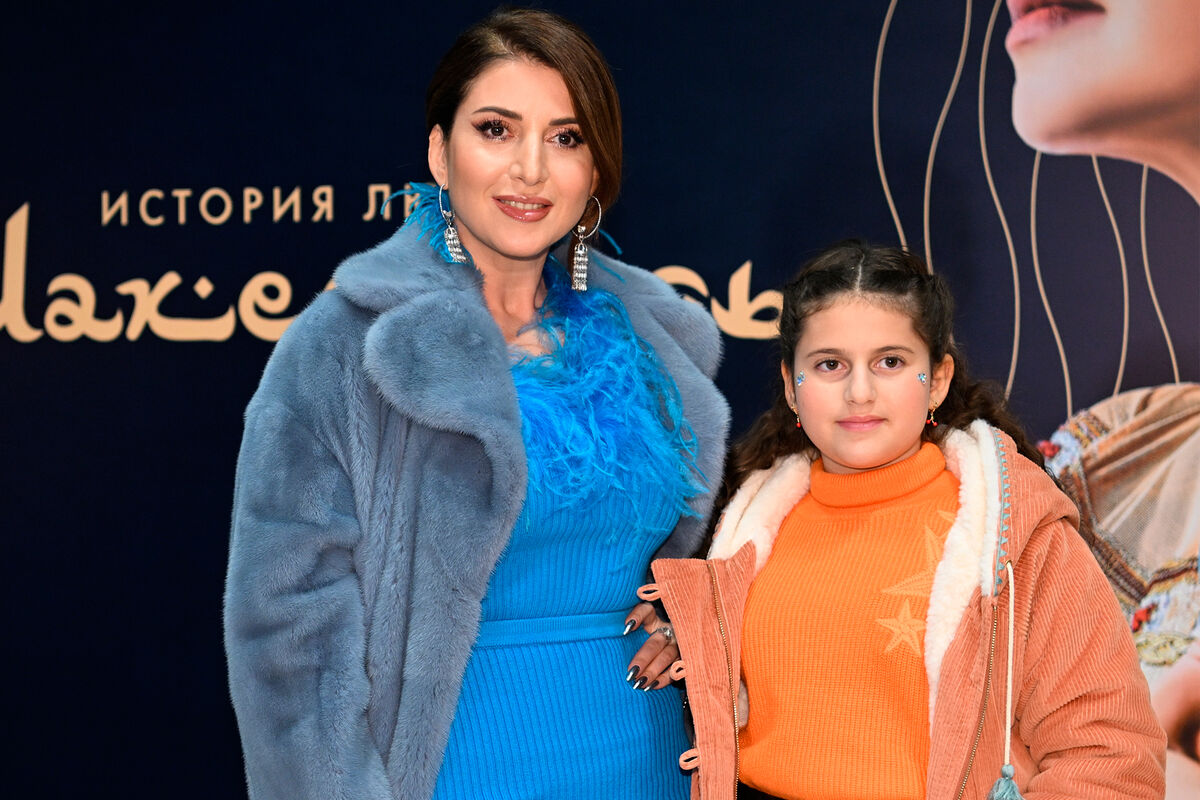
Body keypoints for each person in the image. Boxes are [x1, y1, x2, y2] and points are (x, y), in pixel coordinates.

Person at [222, 8, 728, 800]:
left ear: (595, 169)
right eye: (496, 130)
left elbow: (701, 558)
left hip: (648, 760)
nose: (530, 169)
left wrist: (694, 619)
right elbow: (287, 628)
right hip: (454, 770)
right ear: (440, 151)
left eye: (565, 138)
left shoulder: (657, 340)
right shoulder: (346, 345)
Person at [641, 241, 1165, 799]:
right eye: (829, 365)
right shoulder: (744, 529)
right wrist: (678, 638)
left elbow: (1111, 758)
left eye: (890, 362)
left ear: (936, 380)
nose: (859, 392)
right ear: (793, 386)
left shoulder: (1016, 537)